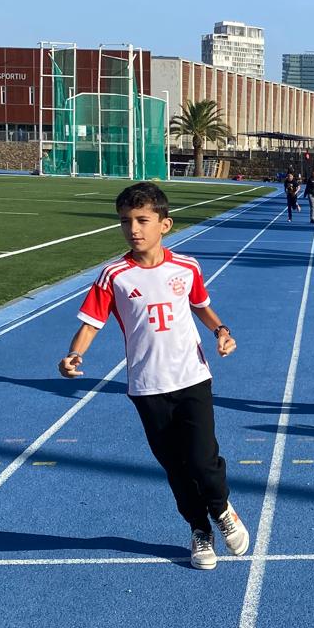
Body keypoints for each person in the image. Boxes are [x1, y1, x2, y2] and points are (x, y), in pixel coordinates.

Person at [57, 180, 250, 569]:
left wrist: (221, 331)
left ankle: (221, 508)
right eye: (125, 221)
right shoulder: (114, 275)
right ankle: (199, 529)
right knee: (175, 467)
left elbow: (201, 305)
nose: (133, 229)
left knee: (203, 459)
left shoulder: (187, 267)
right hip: (147, 386)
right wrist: (74, 354)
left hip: (192, 377)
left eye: (142, 220)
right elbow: (92, 323)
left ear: (165, 224)